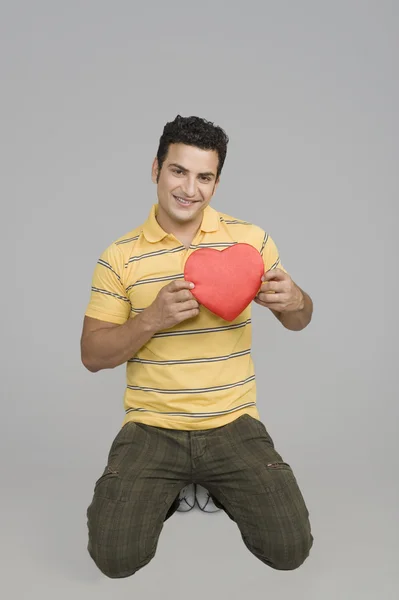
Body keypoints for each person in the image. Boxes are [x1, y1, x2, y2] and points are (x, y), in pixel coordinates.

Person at [81, 115, 314, 579]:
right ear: (156, 170)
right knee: (114, 558)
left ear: (217, 181)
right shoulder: (119, 256)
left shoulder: (251, 241)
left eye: (204, 176)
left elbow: (298, 319)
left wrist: (296, 300)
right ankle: (170, 491)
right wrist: (152, 319)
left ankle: (216, 488)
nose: (190, 188)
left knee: (291, 549)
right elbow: (93, 355)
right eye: (178, 171)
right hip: (152, 426)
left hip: (233, 421)